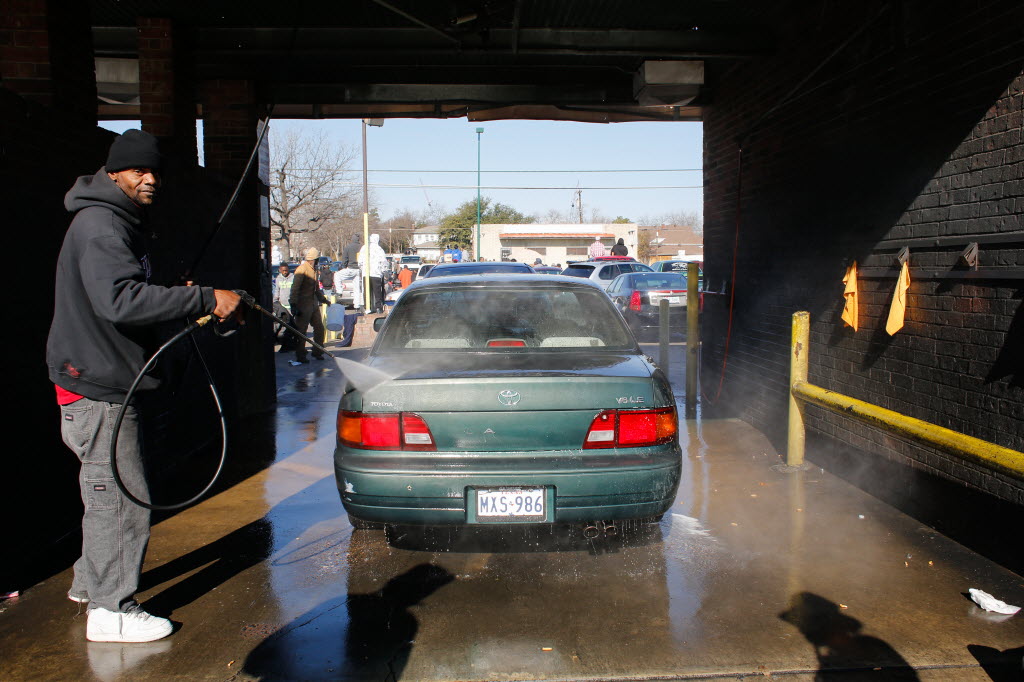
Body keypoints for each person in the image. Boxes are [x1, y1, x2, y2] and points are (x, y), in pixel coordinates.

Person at [46, 129, 242, 643]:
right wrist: (201, 299)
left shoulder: (114, 221)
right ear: (114, 174)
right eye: (138, 171)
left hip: (97, 377)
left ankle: (90, 584)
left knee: (103, 491)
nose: (150, 179)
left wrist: (171, 296)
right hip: (99, 384)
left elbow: (124, 294)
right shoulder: (104, 226)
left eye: (154, 171)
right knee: (120, 497)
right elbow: (118, 301)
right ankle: (111, 612)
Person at [289, 247, 330, 363]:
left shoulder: (314, 270)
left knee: (319, 328)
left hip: (313, 304)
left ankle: (317, 351)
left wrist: (323, 299)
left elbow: (316, 289)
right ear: (313, 259)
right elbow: (295, 288)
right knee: (301, 331)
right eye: (317, 260)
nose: (318, 262)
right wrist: (293, 304)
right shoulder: (302, 270)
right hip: (303, 304)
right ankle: (300, 355)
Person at [357, 233, 388, 313]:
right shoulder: (379, 249)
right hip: (376, 273)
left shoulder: (364, 248)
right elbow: (383, 262)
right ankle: (378, 307)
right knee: (377, 291)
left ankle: (367, 307)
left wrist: (363, 269)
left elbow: (359, 262)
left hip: (366, 273)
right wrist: (383, 271)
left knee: (366, 291)